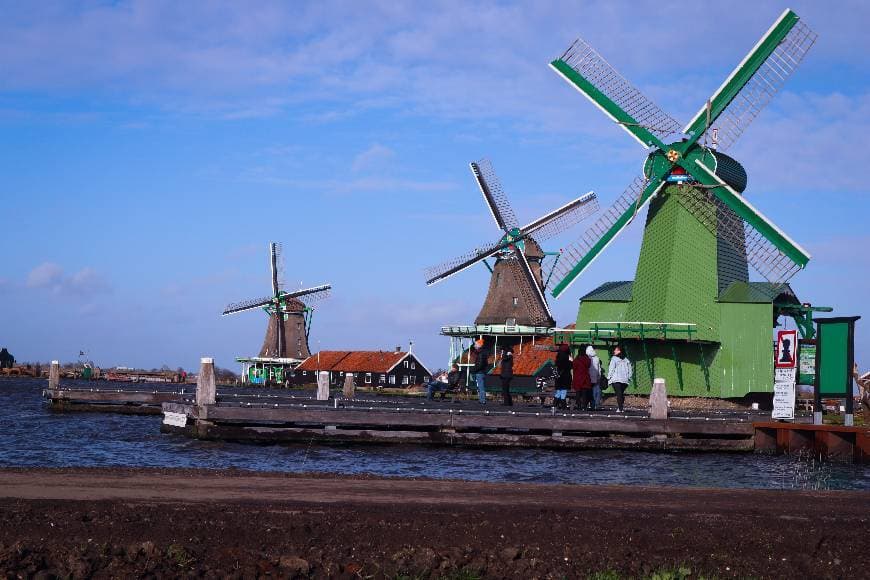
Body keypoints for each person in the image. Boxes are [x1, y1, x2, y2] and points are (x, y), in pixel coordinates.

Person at [607, 345, 633, 413]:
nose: (614, 351)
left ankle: (620, 408)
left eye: (616, 350)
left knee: (619, 394)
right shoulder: (626, 360)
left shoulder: (614, 359)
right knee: (620, 394)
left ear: (619, 351)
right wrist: (629, 377)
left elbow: (611, 369)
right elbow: (630, 370)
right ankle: (621, 407)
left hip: (616, 379)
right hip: (624, 380)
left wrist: (609, 377)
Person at [572, 343, 592, 411]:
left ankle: (579, 406)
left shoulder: (576, 359)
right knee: (584, 393)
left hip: (577, 378)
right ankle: (584, 406)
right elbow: (589, 365)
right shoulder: (587, 358)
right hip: (585, 378)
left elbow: (574, 367)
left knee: (578, 393)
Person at [470, 339, 490, 405]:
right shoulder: (483, 353)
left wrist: (474, 370)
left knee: (481, 387)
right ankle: (481, 400)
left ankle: (482, 400)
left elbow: (480, 364)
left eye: (475, 345)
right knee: (480, 386)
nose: (474, 346)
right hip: (481, 371)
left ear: (479, 346)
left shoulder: (481, 354)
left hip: (479, 372)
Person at [554, 343, 572, 409]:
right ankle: (563, 406)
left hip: (559, 377)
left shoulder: (558, 357)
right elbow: (571, 365)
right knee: (563, 392)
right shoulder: (568, 357)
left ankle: (555, 405)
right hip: (565, 377)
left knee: (558, 391)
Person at [586, 345, 603, 411]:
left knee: (589, 392)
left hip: (588, 377)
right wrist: (599, 376)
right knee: (595, 391)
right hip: (595, 377)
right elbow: (599, 369)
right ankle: (595, 405)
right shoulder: (597, 358)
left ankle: (589, 405)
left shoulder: (587, 358)